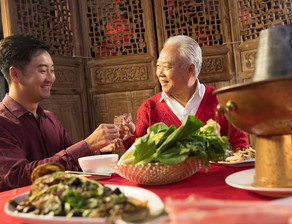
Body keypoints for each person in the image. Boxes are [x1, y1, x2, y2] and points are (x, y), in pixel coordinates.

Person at [0, 34, 123, 191]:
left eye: (52, 70)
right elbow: (19, 176)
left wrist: (98, 148)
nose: (51, 78)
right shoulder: (3, 122)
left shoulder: (49, 118)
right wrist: (87, 144)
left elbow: (72, 165)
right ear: (15, 74)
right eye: (43, 71)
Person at [123, 35, 248, 151]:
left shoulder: (222, 101)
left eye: (166, 67)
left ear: (190, 69)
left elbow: (240, 145)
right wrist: (126, 136)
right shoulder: (149, 108)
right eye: (158, 66)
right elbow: (137, 154)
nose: (159, 73)